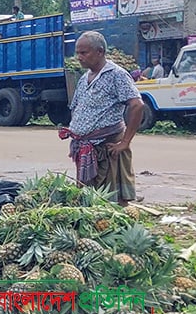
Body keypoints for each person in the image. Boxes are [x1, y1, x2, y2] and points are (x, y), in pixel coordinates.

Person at [59, 31, 144, 206]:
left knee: (111, 201)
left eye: (84, 52)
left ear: (100, 52)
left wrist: (125, 142)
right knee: (90, 200)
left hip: (107, 148)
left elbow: (137, 105)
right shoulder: (84, 78)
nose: (79, 57)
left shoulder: (116, 75)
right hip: (87, 149)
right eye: (77, 53)